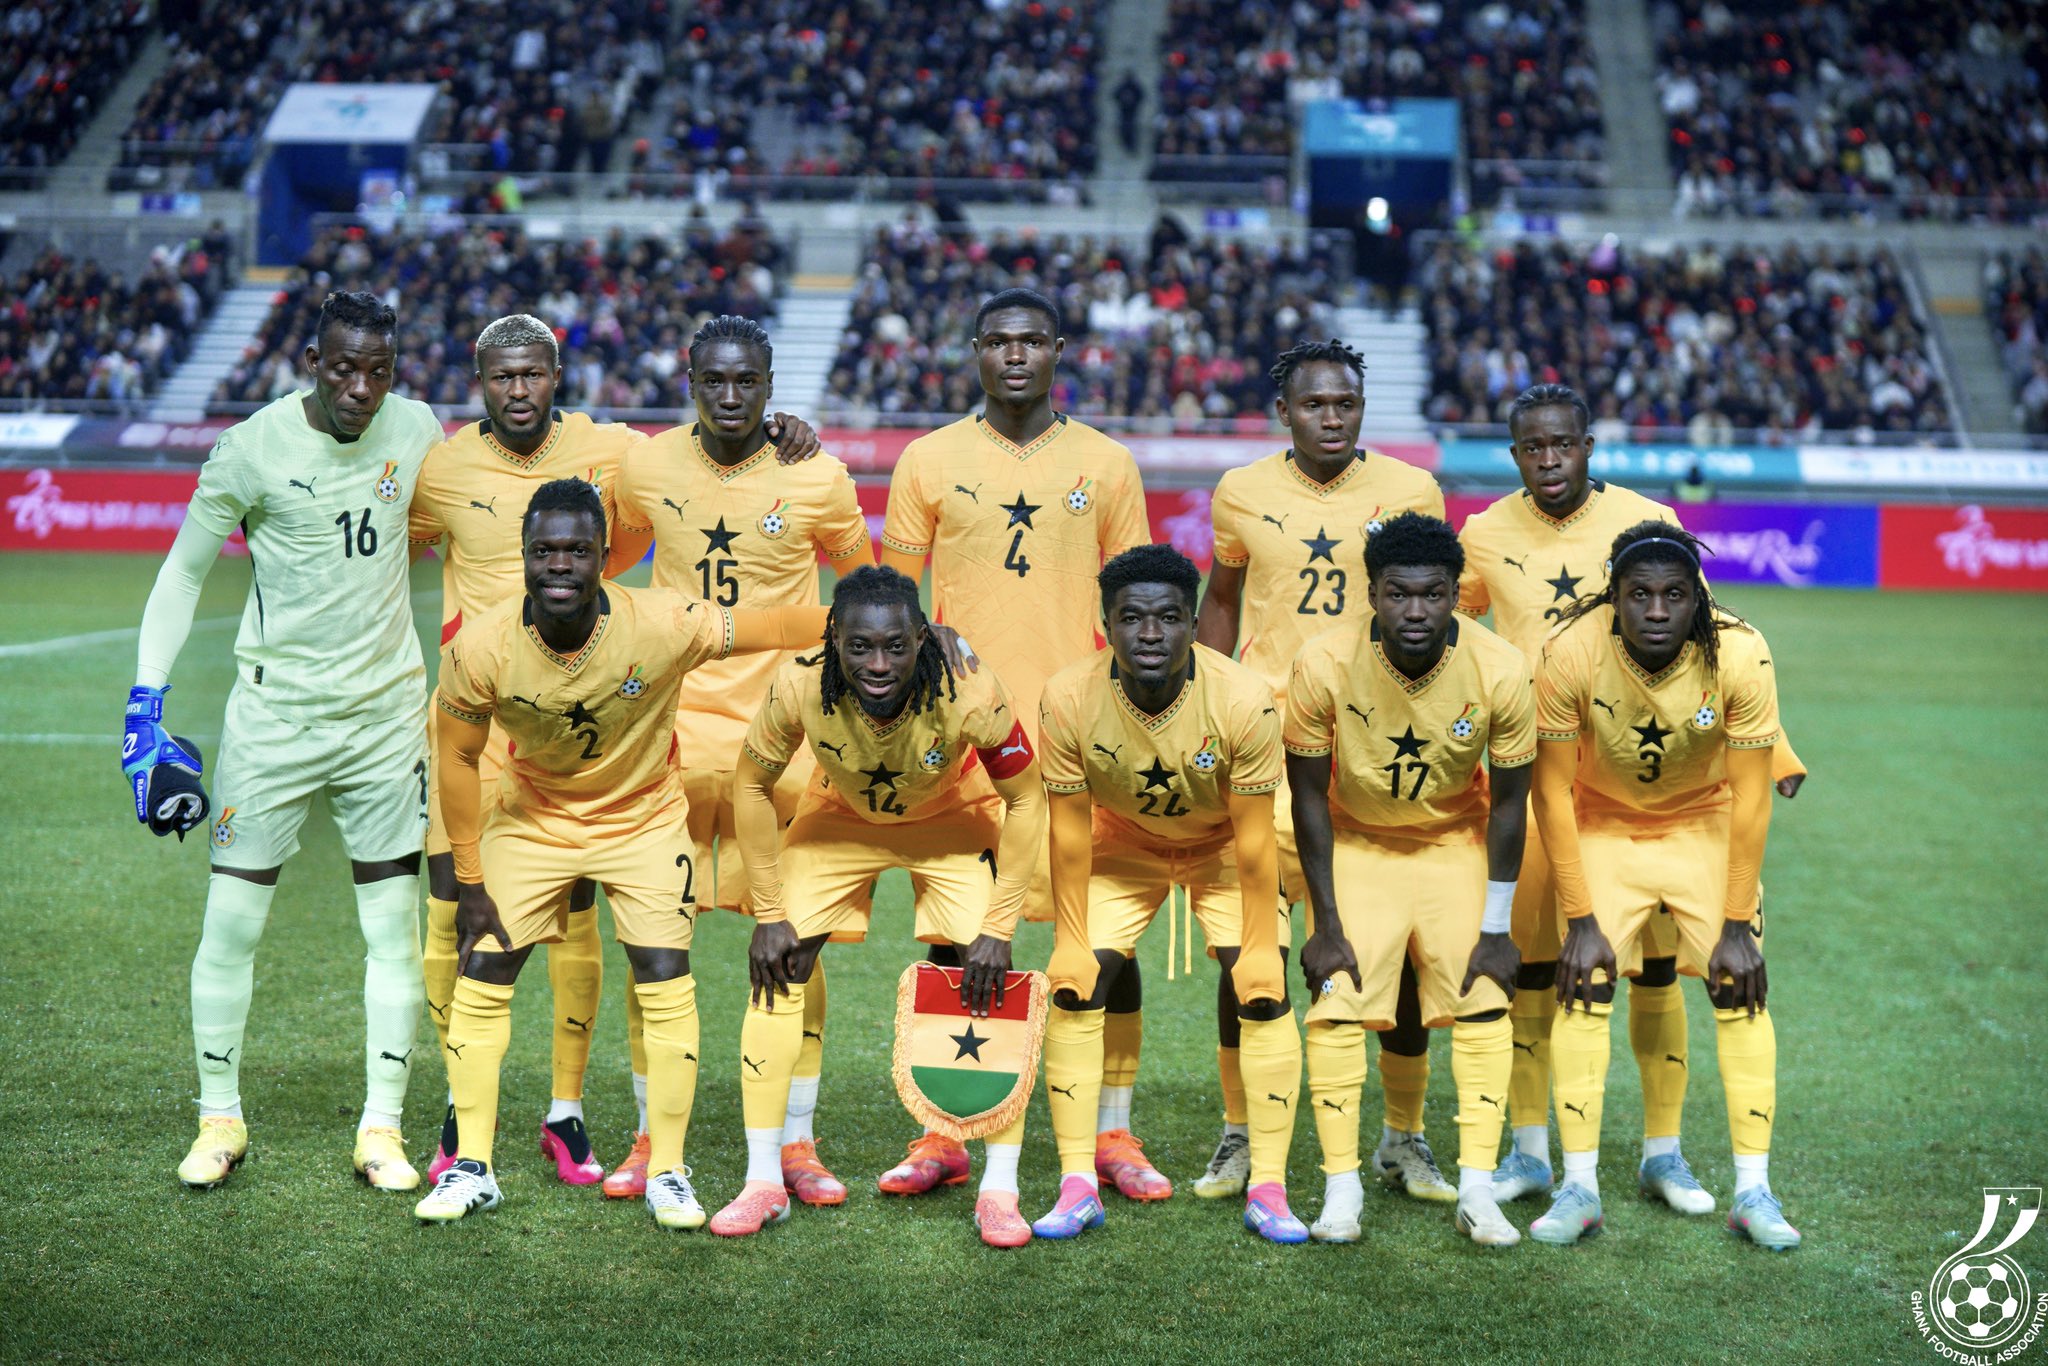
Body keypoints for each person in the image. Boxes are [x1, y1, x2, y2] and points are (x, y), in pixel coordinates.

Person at [408, 312, 820, 1187]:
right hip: (481, 709)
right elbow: (381, 548)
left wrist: (780, 431)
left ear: (557, 375)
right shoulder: (440, 468)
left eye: (534, 373)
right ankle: (460, 1106)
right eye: (502, 375)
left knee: (582, 916)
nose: (519, 389)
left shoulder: (617, 452)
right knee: (455, 912)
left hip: (588, 707)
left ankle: (568, 1108)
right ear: (480, 380)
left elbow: (698, 459)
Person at [1457, 383, 1804, 1212]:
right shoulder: (1483, 532)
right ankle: (1531, 1153)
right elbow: (1459, 632)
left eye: (1563, 444)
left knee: (1654, 971)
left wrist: (1778, 750)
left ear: (1588, 445)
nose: (1549, 460)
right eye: (1533, 447)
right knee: (1535, 970)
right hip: (1540, 775)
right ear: (1516, 454)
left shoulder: (1648, 519)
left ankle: (1663, 1152)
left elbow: (1706, 637)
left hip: (1649, 774)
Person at [125, 290, 444, 1191]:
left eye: (377, 371)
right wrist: (145, 704)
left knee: (393, 929)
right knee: (231, 923)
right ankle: (218, 1118)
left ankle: (382, 1130)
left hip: (385, 719)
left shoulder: (418, 429)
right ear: (312, 362)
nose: (361, 388)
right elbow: (183, 574)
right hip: (273, 721)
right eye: (343, 368)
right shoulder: (251, 447)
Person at [877, 288, 1152, 1199]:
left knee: (1102, 940)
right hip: (962, 738)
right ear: (976, 352)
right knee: (960, 936)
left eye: (1033, 339)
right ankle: (946, 1130)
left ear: (1060, 350)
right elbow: (893, 599)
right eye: (999, 340)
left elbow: (1138, 600)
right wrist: (925, 632)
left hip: (1080, 733)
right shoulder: (928, 459)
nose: (1016, 354)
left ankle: (1112, 1133)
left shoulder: (1107, 464)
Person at [603, 314, 871, 1203]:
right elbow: (608, 556)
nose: (729, 395)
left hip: (785, 738)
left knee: (796, 946)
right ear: (689, 381)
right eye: (713, 380)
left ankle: (796, 1140)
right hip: (666, 734)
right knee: (653, 943)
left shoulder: (818, 476)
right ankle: (650, 1136)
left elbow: (867, 590)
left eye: (746, 381)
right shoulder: (645, 466)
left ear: (769, 386)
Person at [710, 566, 1048, 1249]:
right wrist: (770, 912)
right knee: (780, 962)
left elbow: (1027, 797)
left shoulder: (970, 688)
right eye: (860, 647)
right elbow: (750, 785)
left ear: (922, 640)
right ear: (833, 638)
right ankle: (763, 1179)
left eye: (896, 646)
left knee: (988, 973)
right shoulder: (799, 683)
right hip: (839, 816)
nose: (878, 664)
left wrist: (997, 925)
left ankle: (999, 1188)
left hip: (951, 819)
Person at [1195, 338, 1453, 1204]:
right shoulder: (1242, 491)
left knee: (1399, 951)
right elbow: (1222, 599)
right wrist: (1206, 703)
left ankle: (1404, 1137)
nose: (1332, 417)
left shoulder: (1412, 491)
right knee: (1251, 949)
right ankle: (1240, 1131)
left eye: (1346, 402)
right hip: (1266, 747)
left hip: (1378, 749)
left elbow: (1439, 612)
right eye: (1315, 404)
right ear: (1285, 412)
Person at [1525, 522, 1798, 1250]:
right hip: (1603, 823)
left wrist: (1736, 925)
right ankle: (1579, 1187)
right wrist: (1580, 918)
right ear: (1611, 598)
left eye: (1674, 595)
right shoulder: (1569, 650)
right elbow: (1551, 792)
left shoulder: (1740, 651)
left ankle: (1754, 1192)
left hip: (1702, 822)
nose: (1655, 610)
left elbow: (1752, 797)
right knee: (1584, 981)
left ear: (1697, 600)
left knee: (1740, 986)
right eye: (1638, 595)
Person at [1032, 545, 1304, 1244]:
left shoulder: (1242, 698)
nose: (1150, 634)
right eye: (1132, 618)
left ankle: (1268, 1185)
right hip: (1122, 843)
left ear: (1193, 623)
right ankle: (1077, 1182)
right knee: (1076, 983)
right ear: (1107, 625)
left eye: (1169, 618)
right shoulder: (1067, 696)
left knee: (1262, 989)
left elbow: (1255, 842)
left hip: (1223, 846)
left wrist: (1260, 950)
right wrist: (1070, 939)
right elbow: (1069, 835)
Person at [1287, 513, 1533, 1246]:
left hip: (1452, 843)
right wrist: (1327, 925)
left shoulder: (1501, 668)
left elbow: (1510, 804)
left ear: (1458, 594)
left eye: (1433, 594)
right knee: (1337, 1003)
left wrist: (1496, 928)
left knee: (1484, 1002)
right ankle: (1342, 1191)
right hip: (1358, 844)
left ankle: (1479, 1192)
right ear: (1372, 593)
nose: (1416, 611)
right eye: (1398, 594)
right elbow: (1307, 797)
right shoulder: (1322, 662)